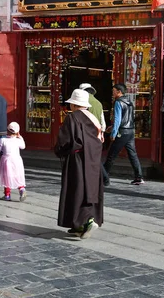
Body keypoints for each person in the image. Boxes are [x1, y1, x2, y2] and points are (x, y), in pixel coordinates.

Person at [55, 89, 104, 239]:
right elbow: (100, 139)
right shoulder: (93, 118)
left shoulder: (72, 118)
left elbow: (64, 141)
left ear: (75, 104)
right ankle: (79, 224)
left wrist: (59, 151)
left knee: (76, 190)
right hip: (93, 160)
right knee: (90, 189)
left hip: (76, 160)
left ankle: (84, 221)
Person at [102, 83, 144, 186]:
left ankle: (103, 177)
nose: (112, 93)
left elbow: (118, 119)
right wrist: (112, 128)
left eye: (114, 91)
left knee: (111, 155)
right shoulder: (129, 101)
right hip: (130, 131)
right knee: (133, 154)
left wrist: (114, 132)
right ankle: (139, 177)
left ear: (119, 92)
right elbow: (127, 118)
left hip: (122, 132)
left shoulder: (118, 102)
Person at [0, 122, 26, 201]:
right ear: (17, 132)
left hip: (7, 160)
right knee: (17, 175)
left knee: (7, 177)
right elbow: (23, 146)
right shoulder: (18, 141)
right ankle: (22, 189)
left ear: (7, 130)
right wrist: (20, 137)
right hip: (17, 160)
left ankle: (7, 195)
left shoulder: (3, 140)